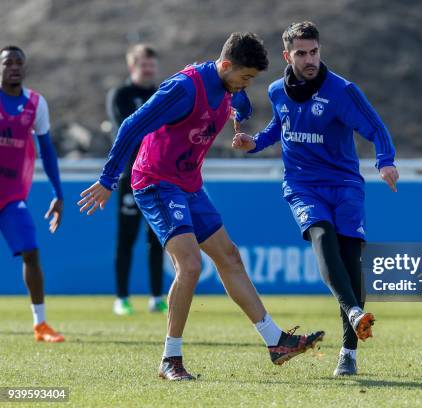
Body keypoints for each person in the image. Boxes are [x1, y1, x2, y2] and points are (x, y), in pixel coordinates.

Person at [78, 32, 324, 381]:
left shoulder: (228, 85)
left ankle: (276, 342)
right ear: (225, 65)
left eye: (251, 80)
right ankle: (170, 359)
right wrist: (107, 179)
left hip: (189, 184)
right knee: (190, 266)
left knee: (229, 256)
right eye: (245, 78)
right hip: (156, 182)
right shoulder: (184, 89)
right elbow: (132, 125)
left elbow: (240, 103)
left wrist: (242, 109)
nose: (246, 85)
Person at [232, 22, 399, 376]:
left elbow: (376, 127)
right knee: (321, 234)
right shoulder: (278, 91)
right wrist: (255, 143)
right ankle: (354, 313)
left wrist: (385, 162)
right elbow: (279, 127)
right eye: (301, 53)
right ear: (287, 56)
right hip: (303, 185)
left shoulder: (342, 91)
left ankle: (349, 352)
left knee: (351, 262)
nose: (310, 59)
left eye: (314, 52)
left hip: (344, 185)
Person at [0, 46, 65, 342]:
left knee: (31, 251)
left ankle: (40, 324)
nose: (13, 67)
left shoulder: (36, 104)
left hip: (12, 196)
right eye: (7, 62)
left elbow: (47, 150)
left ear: (25, 68)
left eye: (18, 62)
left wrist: (58, 192)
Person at [106, 44, 166, 315]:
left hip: (160, 176)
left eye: (152, 65)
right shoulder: (121, 94)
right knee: (126, 238)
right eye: (144, 65)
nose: (149, 69)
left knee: (157, 239)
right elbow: (127, 130)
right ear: (133, 66)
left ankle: (156, 297)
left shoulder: (162, 93)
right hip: (131, 175)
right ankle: (122, 297)